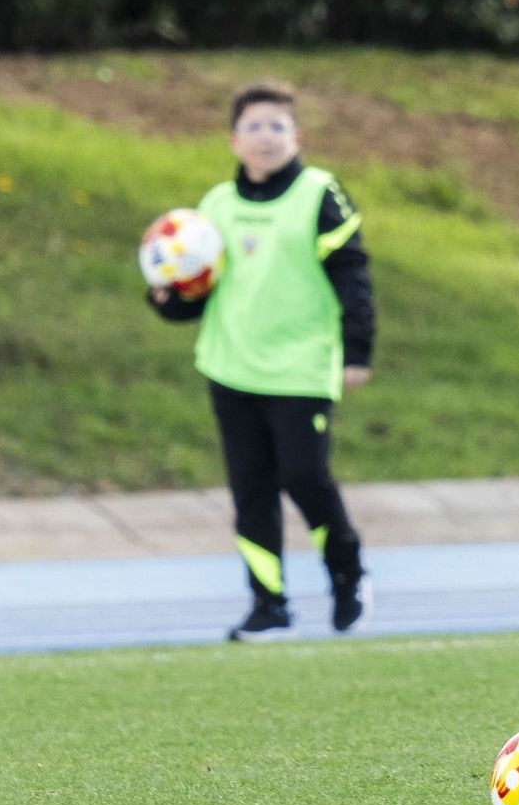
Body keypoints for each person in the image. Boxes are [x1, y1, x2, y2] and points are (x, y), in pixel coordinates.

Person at [150, 80, 373, 640]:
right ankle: (268, 604)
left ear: (296, 137)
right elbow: (201, 289)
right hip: (230, 367)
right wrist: (169, 300)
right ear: (234, 140)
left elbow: (352, 272)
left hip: (300, 369)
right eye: (253, 126)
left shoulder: (320, 194)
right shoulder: (215, 206)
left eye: (278, 126)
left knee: (304, 477)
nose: (266, 136)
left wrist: (357, 349)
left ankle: (347, 574)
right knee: (251, 492)